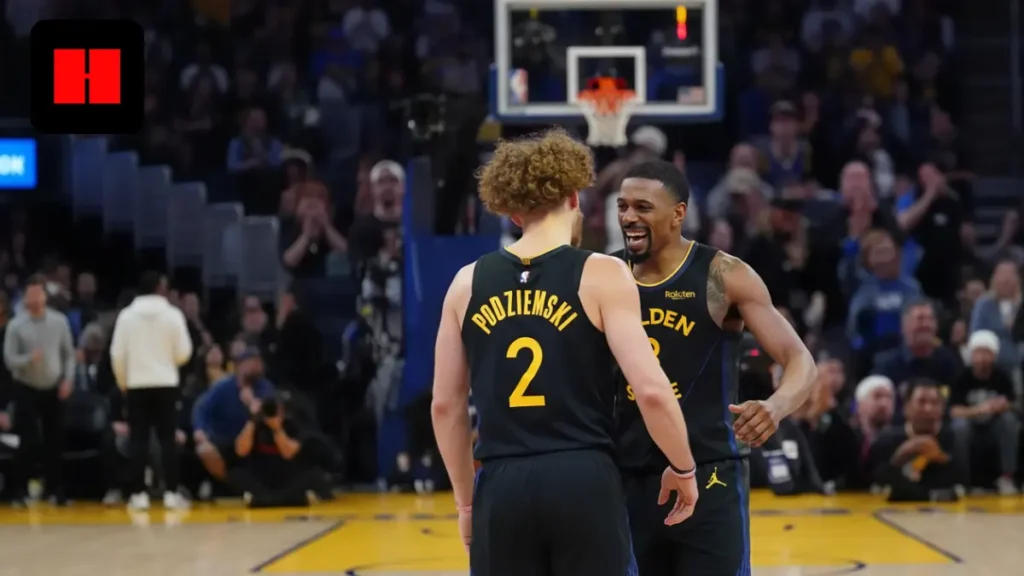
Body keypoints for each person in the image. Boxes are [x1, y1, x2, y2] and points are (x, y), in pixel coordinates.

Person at [431, 129, 699, 576]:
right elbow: (651, 390)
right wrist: (685, 468)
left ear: (513, 212)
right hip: (583, 475)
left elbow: (445, 406)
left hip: (501, 481)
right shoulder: (602, 273)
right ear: (575, 197)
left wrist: (465, 502)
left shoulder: (465, 283)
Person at [613, 159, 817, 576]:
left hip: (711, 475)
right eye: (622, 206)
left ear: (678, 213)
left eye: (642, 207)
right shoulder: (604, 276)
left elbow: (800, 361)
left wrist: (775, 408)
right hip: (625, 476)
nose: (629, 217)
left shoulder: (723, 275)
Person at [109, 272, 194, 510]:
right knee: (168, 440)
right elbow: (184, 352)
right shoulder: (173, 315)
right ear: (160, 288)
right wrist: (168, 363)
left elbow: (117, 354)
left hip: (136, 384)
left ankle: (138, 494)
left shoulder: (126, 317)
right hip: (166, 383)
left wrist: (124, 382)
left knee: (139, 440)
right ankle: (171, 493)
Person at [2, 275, 76, 506]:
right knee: (29, 440)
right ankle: (20, 490)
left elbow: (69, 355)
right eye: (30, 295)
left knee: (55, 440)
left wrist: (68, 380)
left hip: (54, 388)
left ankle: (54, 489)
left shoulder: (59, 321)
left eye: (38, 294)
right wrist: (28, 359)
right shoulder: (16, 325)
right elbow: (9, 359)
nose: (34, 299)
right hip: (26, 388)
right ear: (25, 298)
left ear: (45, 296)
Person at [192, 347, 276, 482]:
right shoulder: (223, 386)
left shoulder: (265, 387)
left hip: (254, 441)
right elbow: (201, 408)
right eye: (251, 362)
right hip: (223, 439)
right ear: (239, 366)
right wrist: (199, 429)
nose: (256, 366)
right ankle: (227, 482)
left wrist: (251, 402)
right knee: (204, 450)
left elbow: (271, 414)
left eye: (258, 362)